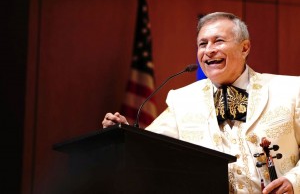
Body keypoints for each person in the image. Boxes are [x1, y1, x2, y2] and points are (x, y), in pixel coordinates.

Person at [102, 12, 300, 194]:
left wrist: (294, 181)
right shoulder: (182, 100)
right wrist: (124, 133)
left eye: (219, 41)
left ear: (245, 47)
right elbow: (149, 148)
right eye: (202, 44)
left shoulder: (290, 89)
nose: (209, 50)